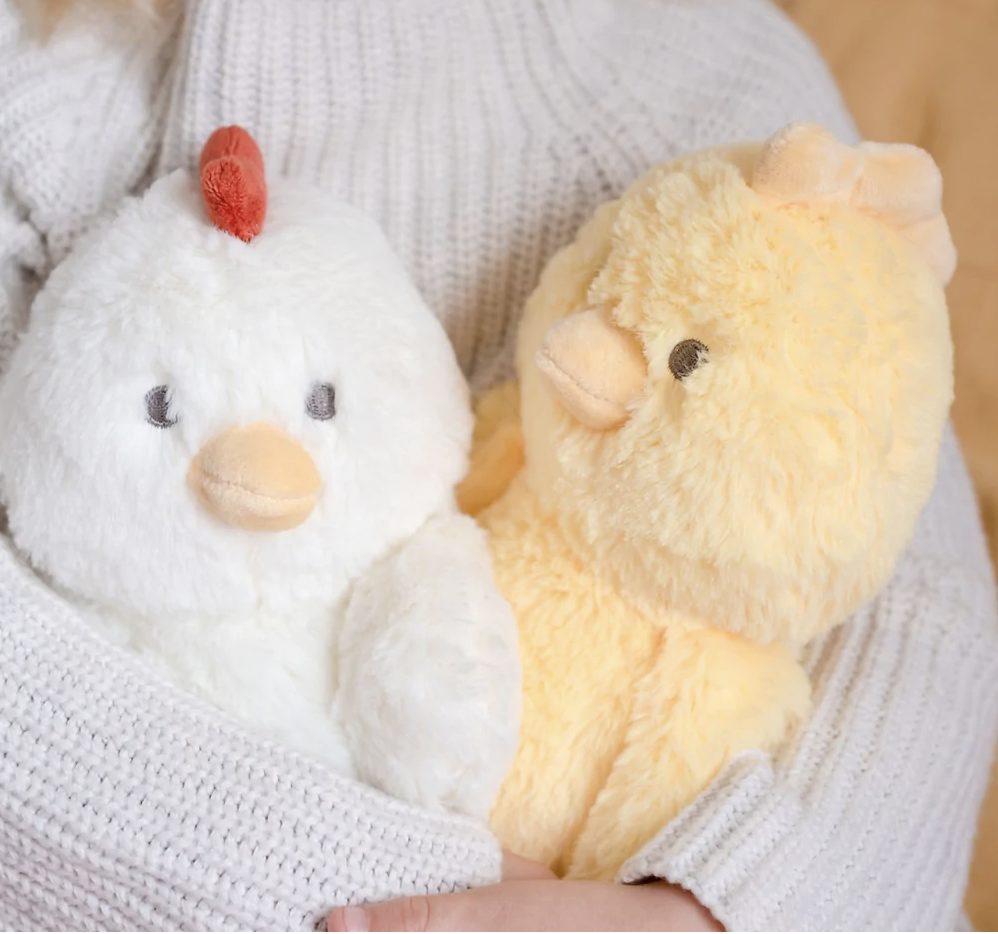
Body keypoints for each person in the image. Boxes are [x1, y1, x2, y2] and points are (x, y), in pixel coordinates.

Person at [1, 0, 996, 930]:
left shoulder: (689, 55)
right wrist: (404, 884)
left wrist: (722, 905)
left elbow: (914, 587)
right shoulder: (43, 86)